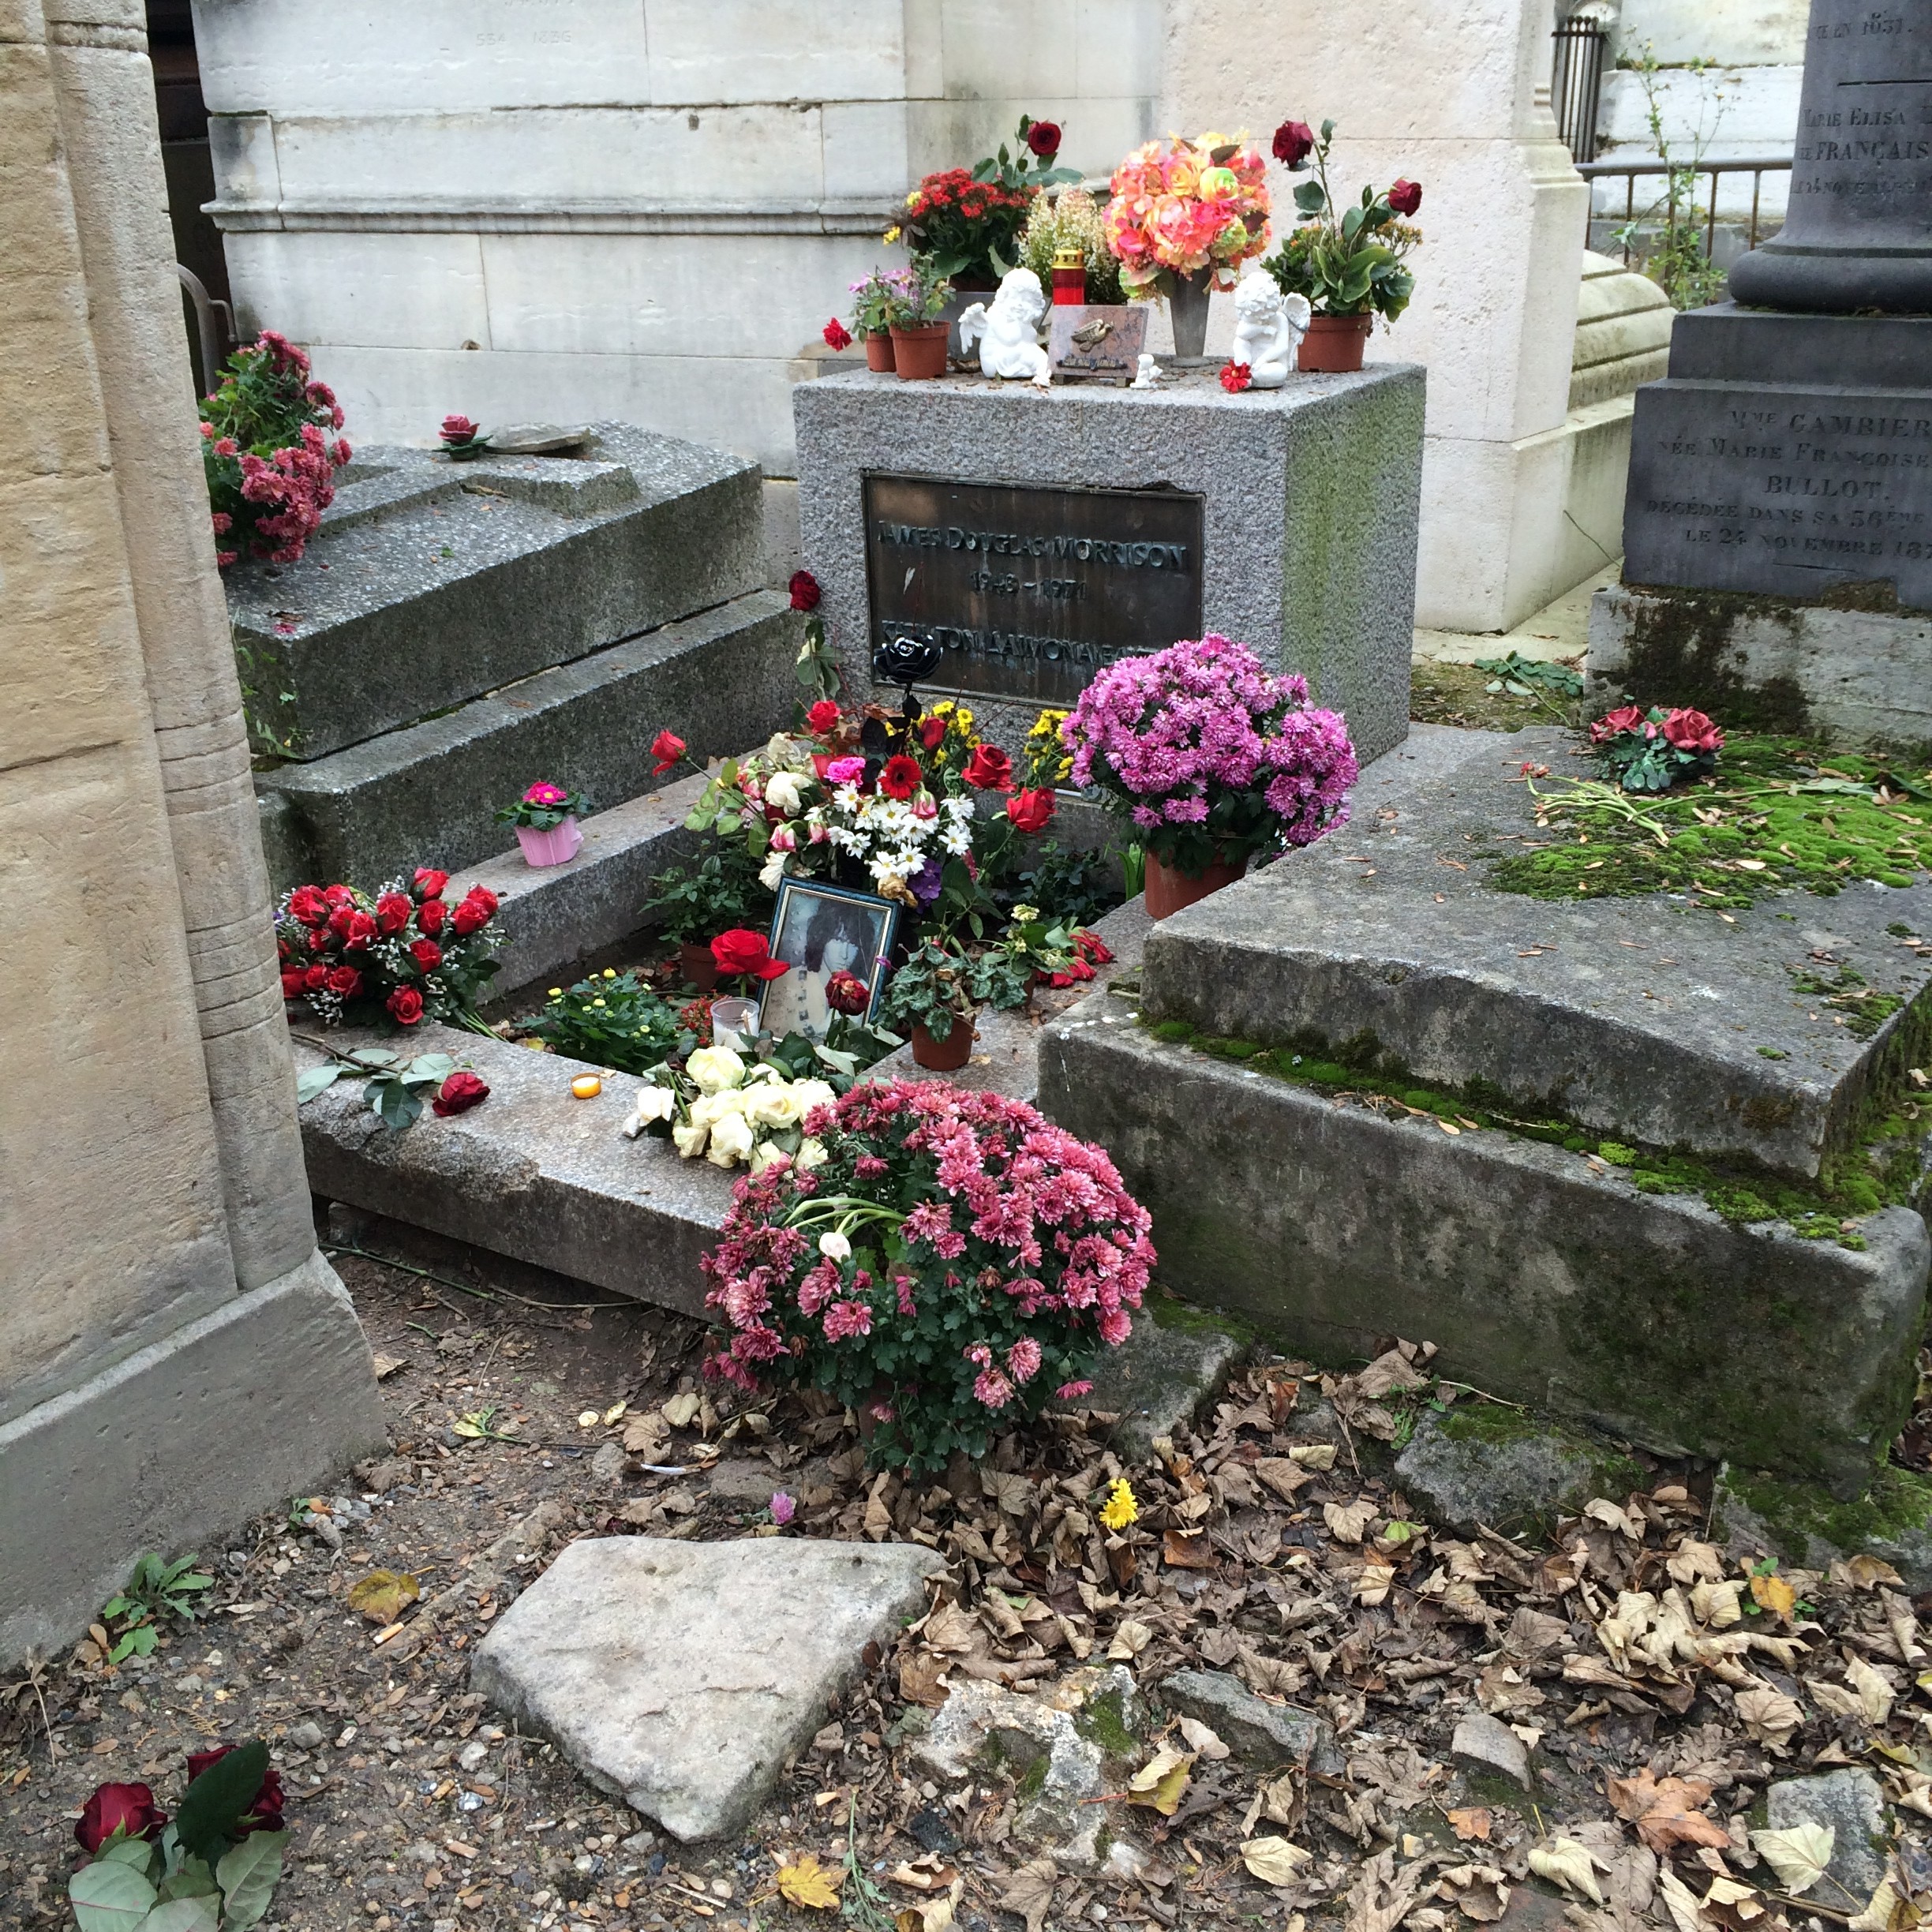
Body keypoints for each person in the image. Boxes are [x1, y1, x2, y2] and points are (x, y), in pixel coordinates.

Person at [761, 892, 882, 1039]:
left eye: (853, 944)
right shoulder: (788, 981)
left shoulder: (863, 993)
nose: (844, 954)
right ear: (821, 938)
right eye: (838, 941)